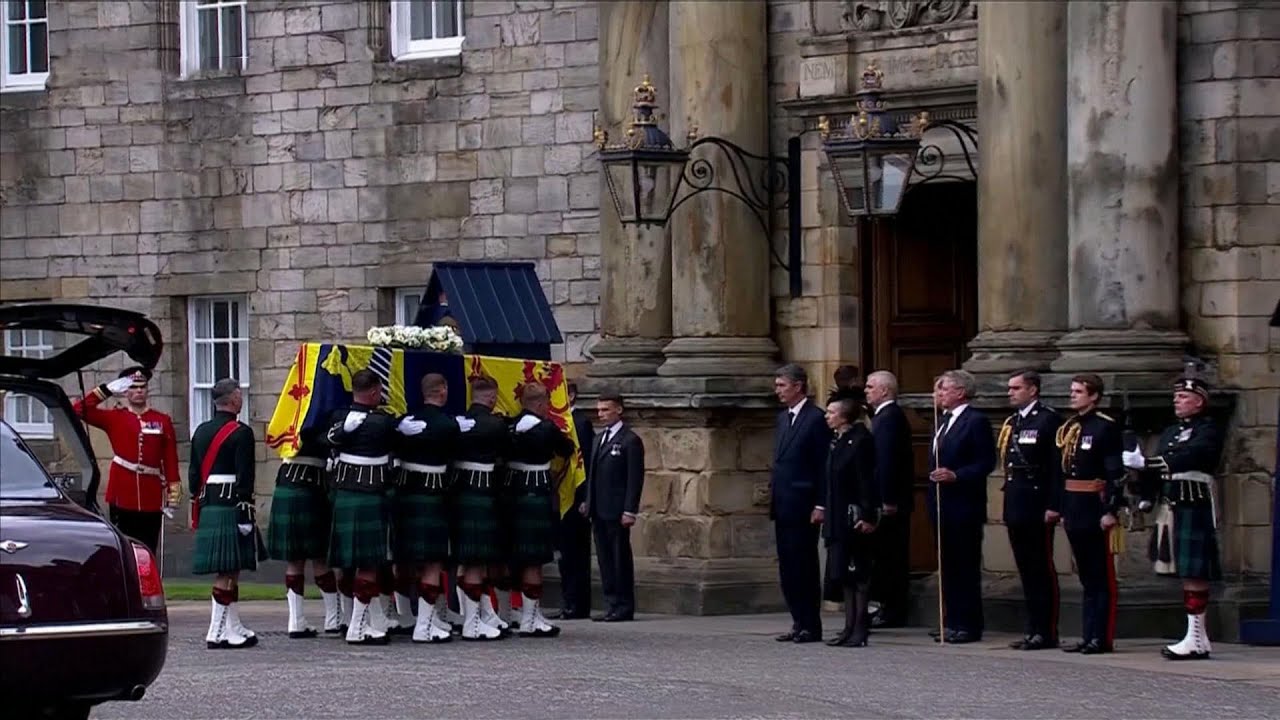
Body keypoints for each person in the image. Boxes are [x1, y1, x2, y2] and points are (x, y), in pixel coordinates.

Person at [1123, 376, 1224, 660]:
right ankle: (1198, 637)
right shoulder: (1170, 432)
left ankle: (1195, 638)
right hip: (1173, 507)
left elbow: (1193, 456)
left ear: (1199, 401)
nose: (1176, 401)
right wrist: (1146, 494)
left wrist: (1148, 463)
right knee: (1184, 571)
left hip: (1195, 504)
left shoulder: (1209, 429)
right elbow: (1161, 465)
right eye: (1176, 397)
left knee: (1195, 573)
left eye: (1183, 397)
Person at [1050, 373, 1124, 655]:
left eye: (1079, 391)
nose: (1073, 395)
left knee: (1100, 575)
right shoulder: (1070, 427)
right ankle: (1087, 633)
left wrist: (1110, 509)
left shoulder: (1104, 428)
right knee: (1086, 576)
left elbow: (1115, 473)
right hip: (1075, 506)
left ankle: (1101, 636)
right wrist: (1063, 508)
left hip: (1095, 506)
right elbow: (1064, 472)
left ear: (1094, 396)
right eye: (1072, 391)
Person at [73, 366, 181, 557]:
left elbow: (170, 458)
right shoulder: (115, 417)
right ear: (125, 391)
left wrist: (173, 493)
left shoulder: (162, 420)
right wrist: (106, 390)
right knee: (124, 546)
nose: (138, 391)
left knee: (148, 547)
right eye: (133, 387)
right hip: (122, 490)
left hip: (151, 493)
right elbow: (79, 410)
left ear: (147, 390)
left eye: (142, 387)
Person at [325, 369, 399, 645]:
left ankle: (363, 621)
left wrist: (342, 428)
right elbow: (398, 443)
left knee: (348, 565)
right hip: (370, 496)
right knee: (367, 565)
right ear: (373, 393)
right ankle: (357, 627)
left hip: (344, 496)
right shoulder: (382, 423)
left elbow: (327, 440)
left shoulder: (339, 419)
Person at [189, 379, 260, 649]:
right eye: (239, 395)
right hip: (232, 505)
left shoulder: (201, 431)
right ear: (232, 400)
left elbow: (194, 476)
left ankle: (232, 625)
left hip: (210, 503)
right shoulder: (241, 432)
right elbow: (245, 476)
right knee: (228, 572)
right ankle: (216, 631)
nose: (241, 399)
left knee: (232, 570)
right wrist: (245, 509)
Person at [927, 369, 996, 644]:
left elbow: (985, 462)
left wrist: (957, 475)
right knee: (948, 565)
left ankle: (968, 623)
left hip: (963, 504)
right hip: (941, 503)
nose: (939, 394)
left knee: (964, 565)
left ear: (960, 392)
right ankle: (951, 620)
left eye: (943, 389)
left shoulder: (975, 421)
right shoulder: (942, 421)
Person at [998, 370, 1063, 650]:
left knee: (1041, 568)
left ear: (1033, 390)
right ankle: (1032, 627)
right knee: (1026, 568)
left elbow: (1056, 468)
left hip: (1038, 502)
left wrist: (1054, 504)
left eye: (1016, 388)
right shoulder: (1013, 422)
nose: (1010, 392)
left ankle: (1046, 630)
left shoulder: (1048, 419)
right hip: (1017, 501)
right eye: (1009, 388)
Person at [393, 372, 460, 644]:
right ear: (442, 391)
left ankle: (411, 617)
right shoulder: (446, 425)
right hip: (433, 495)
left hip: (406, 495)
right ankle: (424, 624)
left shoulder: (406, 422)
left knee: (406, 560)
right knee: (433, 561)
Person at [507, 383, 577, 636]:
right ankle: (529, 618)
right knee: (534, 560)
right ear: (539, 404)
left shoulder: (509, 425)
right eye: (547, 404)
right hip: (536, 494)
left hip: (512, 494)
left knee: (515, 557)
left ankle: (517, 614)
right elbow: (567, 449)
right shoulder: (546, 428)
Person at [770, 364, 830, 643]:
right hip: (783, 502)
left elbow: (822, 466)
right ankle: (797, 620)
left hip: (804, 503)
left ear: (798, 386)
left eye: (782, 385)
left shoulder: (816, 418)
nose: (778, 391)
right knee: (788, 565)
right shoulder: (783, 419)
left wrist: (821, 504)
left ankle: (810, 623)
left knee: (803, 564)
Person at [266, 424, 342, 638]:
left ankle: (296, 620)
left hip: (286, 483)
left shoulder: (289, 417)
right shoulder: (314, 423)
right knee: (319, 556)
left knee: (295, 559)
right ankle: (333, 619)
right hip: (310, 487)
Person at [821, 387, 879, 647]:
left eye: (832, 412)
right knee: (843, 573)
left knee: (859, 574)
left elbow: (866, 480)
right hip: (837, 516)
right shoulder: (838, 440)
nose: (827, 416)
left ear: (844, 416)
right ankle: (847, 627)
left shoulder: (861, 440)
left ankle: (860, 629)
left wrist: (867, 515)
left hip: (854, 515)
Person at [452, 376, 509, 640]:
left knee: (470, 560)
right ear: (491, 397)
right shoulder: (495, 424)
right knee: (476, 560)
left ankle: (481, 615)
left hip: (459, 493)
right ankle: (472, 623)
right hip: (482, 494)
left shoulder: (457, 424)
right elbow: (507, 450)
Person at [584, 390, 644, 623]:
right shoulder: (599, 439)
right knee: (604, 559)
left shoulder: (630, 440)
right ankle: (611, 603)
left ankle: (624, 605)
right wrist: (588, 502)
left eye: (606, 409)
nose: (601, 414)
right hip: (598, 509)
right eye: (599, 410)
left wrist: (630, 509)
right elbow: (593, 474)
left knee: (620, 558)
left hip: (617, 509)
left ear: (619, 409)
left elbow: (634, 478)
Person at [864, 370, 914, 629]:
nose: (866, 390)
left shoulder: (889, 417)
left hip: (891, 502)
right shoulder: (883, 416)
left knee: (891, 558)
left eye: (871, 386)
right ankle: (886, 606)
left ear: (885, 391)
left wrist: (887, 498)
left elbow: (887, 462)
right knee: (884, 556)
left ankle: (892, 609)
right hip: (888, 498)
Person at [556, 380, 594, 620]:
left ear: (571, 395)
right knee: (564, 555)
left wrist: (584, 498)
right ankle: (568, 600)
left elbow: (585, 463)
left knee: (576, 554)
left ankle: (578, 604)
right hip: (560, 496)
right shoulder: (559, 422)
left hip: (576, 498)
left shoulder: (580, 423)